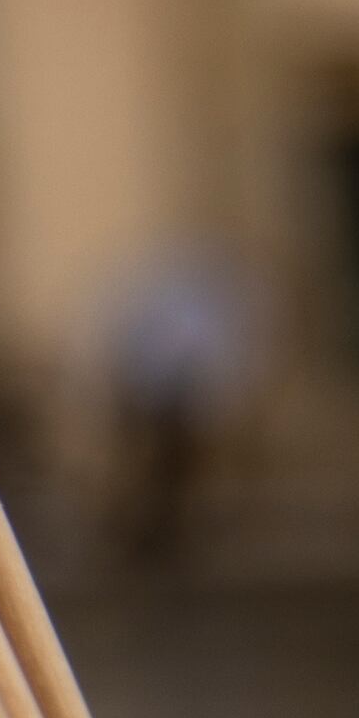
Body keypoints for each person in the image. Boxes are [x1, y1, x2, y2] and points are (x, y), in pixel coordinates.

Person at [106, 238, 254, 573]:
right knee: (159, 477)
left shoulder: (178, 306)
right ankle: (151, 535)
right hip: (165, 407)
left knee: (167, 477)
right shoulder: (185, 307)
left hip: (172, 406)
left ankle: (161, 535)